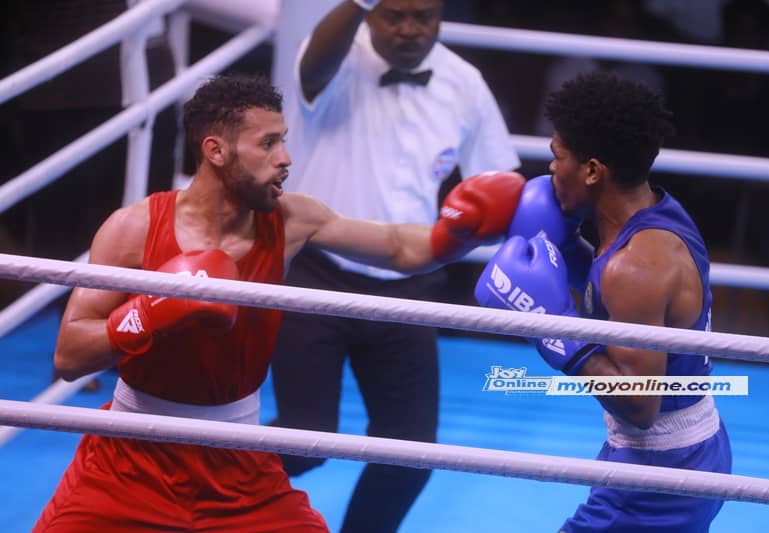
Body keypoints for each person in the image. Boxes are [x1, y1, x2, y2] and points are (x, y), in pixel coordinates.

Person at [33, 73, 524, 532]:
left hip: (240, 465)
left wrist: (458, 233)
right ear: (216, 151)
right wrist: (149, 313)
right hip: (128, 462)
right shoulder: (135, 228)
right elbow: (68, 356)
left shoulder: (290, 221)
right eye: (268, 143)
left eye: (284, 140)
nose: (286, 157)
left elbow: (399, 247)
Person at [270, 1, 520, 531]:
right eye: (393, 15)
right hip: (315, 279)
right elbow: (312, 67)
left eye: (423, 17)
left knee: (409, 453)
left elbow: (502, 183)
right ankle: (196, 495)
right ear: (368, 13)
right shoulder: (333, 59)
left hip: (407, 290)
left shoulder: (463, 82)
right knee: (302, 440)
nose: (409, 30)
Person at [474, 72, 732, 532]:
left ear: (592, 170)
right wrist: (572, 257)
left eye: (559, 157)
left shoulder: (634, 267)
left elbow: (638, 404)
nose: (551, 170)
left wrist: (549, 324)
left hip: (657, 474)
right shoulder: (659, 215)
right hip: (683, 451)